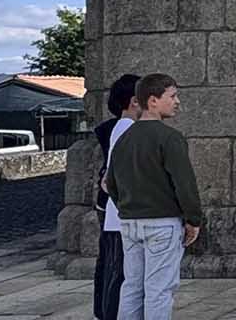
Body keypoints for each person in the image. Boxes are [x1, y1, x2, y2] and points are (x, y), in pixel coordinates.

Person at [107, 73, 203, 320]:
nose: (177, 101)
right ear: (152, 101)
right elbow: (184, 184)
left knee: (132, 287)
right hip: (162, 222)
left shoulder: (124, 139)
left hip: (130, 222)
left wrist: (126, 209)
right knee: (159, 290)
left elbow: (111, 183)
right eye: (172, 96)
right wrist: (193, 218)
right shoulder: (169, 138)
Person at [93, 73, 140, 320]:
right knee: (117, 273)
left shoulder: (122, 127)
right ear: (135, 101)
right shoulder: (125, 128)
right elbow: (113, 178)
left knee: (117, 272)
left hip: (119, 215)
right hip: (120, 217)